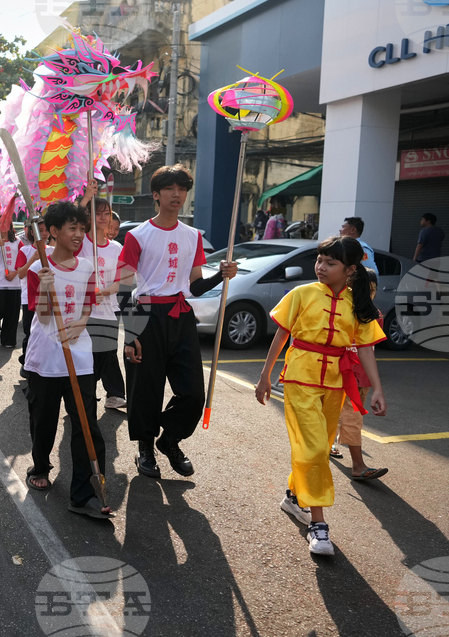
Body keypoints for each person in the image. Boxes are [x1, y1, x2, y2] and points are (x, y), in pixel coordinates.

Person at [255, 236, 387, 556]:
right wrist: (264, 375)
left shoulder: (357, 303)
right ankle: (319, 525)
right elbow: (282, 333)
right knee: (314, 449)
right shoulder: (301, 294)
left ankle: (292, 496)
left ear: (350, 269)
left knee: (320, 446)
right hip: (300, 377)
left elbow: (366, 346)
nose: (321, 267)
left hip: (335, 382)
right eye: (319, 260)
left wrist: (378, 387)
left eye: (331, 263)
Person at [118, 164, 238, 478]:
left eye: (182, 189)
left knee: (194, 393)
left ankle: (169, 439)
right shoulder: (137, 236)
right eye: (170, 188)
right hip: (146, 316)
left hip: (181, 315)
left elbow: (194, 284)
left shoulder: (192, 236)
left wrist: (219, 277)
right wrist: (130, 335)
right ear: (156, 194)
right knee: (146, 389)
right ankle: (145, 448)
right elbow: (123, 286)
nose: (177, 194)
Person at [24, 200, 110, 519]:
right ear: (54, 232)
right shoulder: (38, 270)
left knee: (87, 424)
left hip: (80, 357)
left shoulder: (87, 267)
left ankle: (83, 493)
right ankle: (41, 464)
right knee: (43, 420)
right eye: (72, 228)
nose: (79, 234)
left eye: (82, 228)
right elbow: (44, 317)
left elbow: (87, 303)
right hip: (46, 358)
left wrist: (81, 323)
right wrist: (47, 290)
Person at [329, 269, 387, 481]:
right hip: (339, 374)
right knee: (350, 418)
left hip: (360, 378)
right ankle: (357, 465)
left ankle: (332, 447)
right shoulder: (340, 308)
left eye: (373, 290)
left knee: (349, 417)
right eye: (363, 288)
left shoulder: (374, 315)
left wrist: (375, 385)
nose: (368, 293)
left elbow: (367, 350)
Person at [78, 197, 126, 411]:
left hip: (109, 310)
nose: (103, 218)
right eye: (98, 213)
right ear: (89, 216)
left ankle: (86, 394)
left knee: (106, 355)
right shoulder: (80, 243)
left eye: (106, 213)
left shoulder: (116, 248)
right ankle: (82, 397)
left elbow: (122, 281)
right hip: (85, 311)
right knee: (88, 355)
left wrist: (105, 291)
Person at [15, 219, 49, 378]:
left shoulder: (53, 251)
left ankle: (40, 365)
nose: (43, 233)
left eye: (46, 230)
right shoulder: (25, 250)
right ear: (33, 232)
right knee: (30, 333)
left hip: (48, 300)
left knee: (46, 334)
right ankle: (26, 363)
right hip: (29, 299)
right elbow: (20, 274)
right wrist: (32, 259)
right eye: (40, 230)